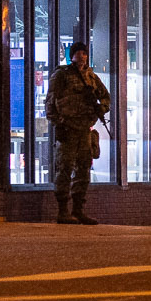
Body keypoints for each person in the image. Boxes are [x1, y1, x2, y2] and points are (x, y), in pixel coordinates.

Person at [47, 42, 110, 225]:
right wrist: (58, 123)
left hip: (84, 130)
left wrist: (101, 109)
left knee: (83, 169)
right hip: (68, 128)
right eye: (78, 53)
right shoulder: (62, 75)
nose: (82, 56)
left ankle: (78, 209)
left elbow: (105, 97)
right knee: (65, 169)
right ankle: (63, 211)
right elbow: (50, 102)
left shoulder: (91, 77)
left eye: (84, 53)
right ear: (72, 55)